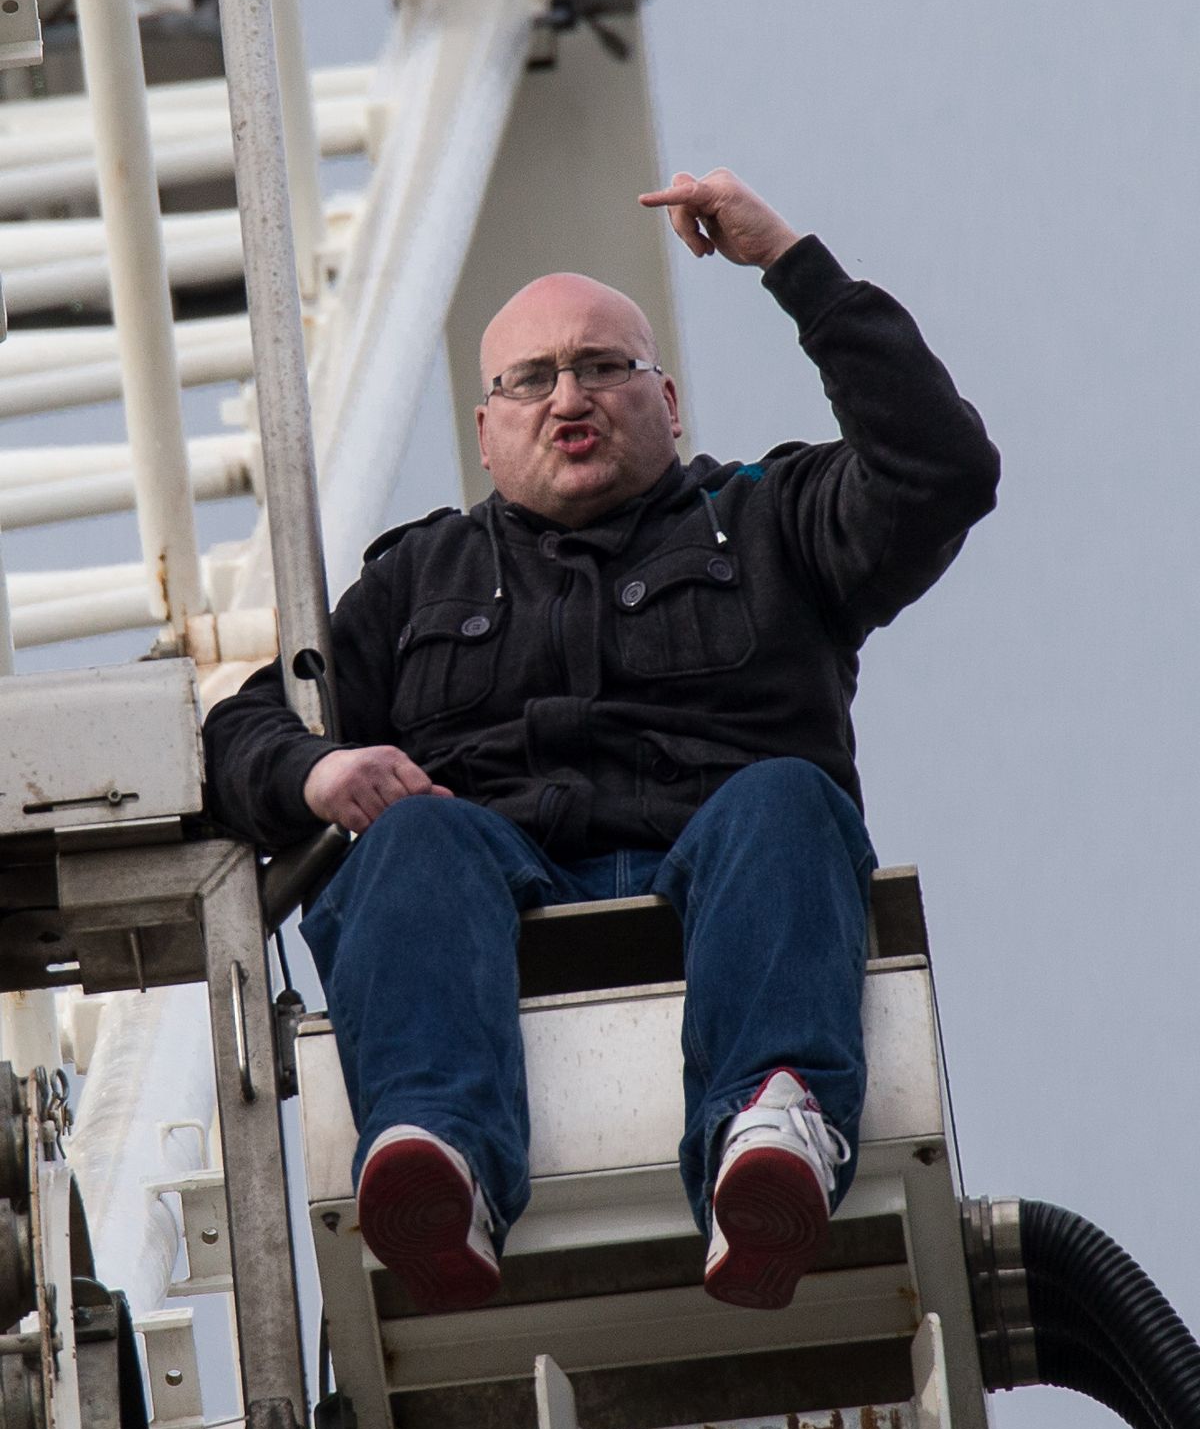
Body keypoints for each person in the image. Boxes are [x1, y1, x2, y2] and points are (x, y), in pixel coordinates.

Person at [204, 169, 999, 1316]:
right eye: (530, 379)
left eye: (602, 367)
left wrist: (789, 262)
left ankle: (770, 1132)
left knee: (786, 798)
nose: (568, 397)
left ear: (668, 402)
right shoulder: (419, 578)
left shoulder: (770, 518)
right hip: (490, 897)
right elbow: (241, 730)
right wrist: (321, 770)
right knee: (413, 838)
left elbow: (942, 470)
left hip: (727, 877)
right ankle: (437, 1157)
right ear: (486, 432)